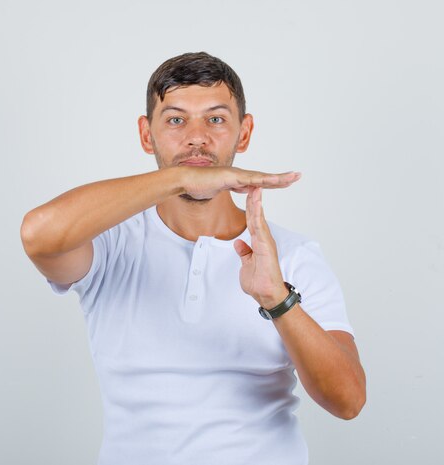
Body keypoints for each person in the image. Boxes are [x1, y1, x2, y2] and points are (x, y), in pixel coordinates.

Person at [20, 51, 366, 464]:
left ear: (244, 132)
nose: (196, 137)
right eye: (176, 120)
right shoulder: (108, 245)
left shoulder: (293, 255)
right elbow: (38, 235)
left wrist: (278, 299)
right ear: (147, 135)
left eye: (216, 119)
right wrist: (182, 176)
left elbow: (348, 401)